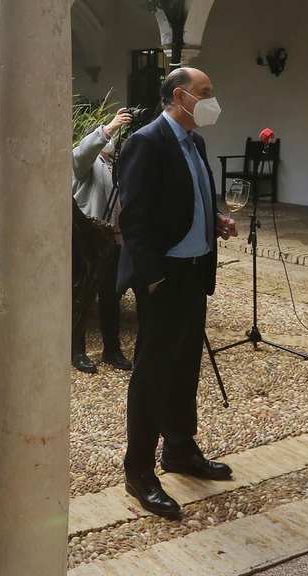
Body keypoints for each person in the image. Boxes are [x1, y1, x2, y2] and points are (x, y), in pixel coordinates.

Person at [116, 66, 238, 519]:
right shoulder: (146, 142)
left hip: (194, 274)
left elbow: (190, 196)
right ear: (180, 96)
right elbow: (135, 218)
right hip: (164, 278)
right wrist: (151, 279)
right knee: (152, 375)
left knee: (185, 369)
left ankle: (181, 450)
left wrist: (215, 221)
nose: (212, 99)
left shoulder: (196, 141)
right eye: (206, 92)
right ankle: (139, 471)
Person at [72, 108, 133, 372]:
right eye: (107, 137)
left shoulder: (116, 164)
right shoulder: (87, 164)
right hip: (90, 239)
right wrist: (108, 127)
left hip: (115, 240)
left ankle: (112, 350)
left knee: (111, 296)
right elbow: (79, 155)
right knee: (82, 296)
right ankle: (76, 350)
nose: (112, 140)